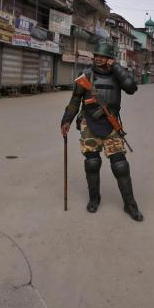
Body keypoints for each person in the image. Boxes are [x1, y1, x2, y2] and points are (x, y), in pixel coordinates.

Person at [60, 40, 144, 221]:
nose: (98, 59)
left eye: (103, 56)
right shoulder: (85, 76)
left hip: (111, 125)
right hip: (89, 123)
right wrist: (67, 119)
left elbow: (131, 88)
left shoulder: (117, 75)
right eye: (96, 56)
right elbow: (75, 100)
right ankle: (94, 198)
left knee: (120, 165)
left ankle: (130, 205)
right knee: (91, 163)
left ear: (110, 58)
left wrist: (118, 68)